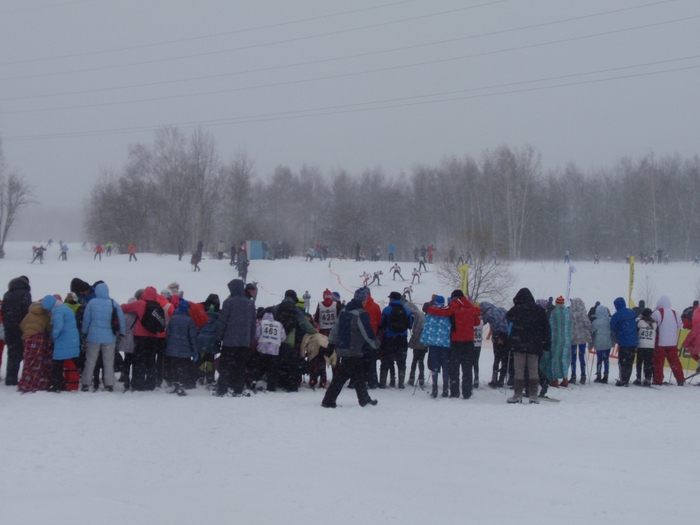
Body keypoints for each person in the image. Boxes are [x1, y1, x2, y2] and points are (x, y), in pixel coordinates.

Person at [321, 288, 379, 408]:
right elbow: (367, 332)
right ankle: (328, 400)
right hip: (354, 348)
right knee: (342, 375)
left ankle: (364, 399)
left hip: (343, 346)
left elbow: (335, 328)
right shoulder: (361, 313)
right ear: (363, 300)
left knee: (358, 374)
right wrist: (377, 346)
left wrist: (331, 344)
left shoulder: (344, 311)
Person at [426, 290, 480, 399]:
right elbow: (477, 322)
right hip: (469, 342)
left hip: (456, 341)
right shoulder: (471, 308)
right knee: (467, 368)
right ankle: (467, 392)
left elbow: (441, 312)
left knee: (454, 367)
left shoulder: (453, 306)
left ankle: (455, 392)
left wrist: (428, 308)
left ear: (454, 297)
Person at [505, 288, 551, 403]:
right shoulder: (539, 310)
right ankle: (533, 395)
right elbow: (546, 328)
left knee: (519, 370)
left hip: (519, 345)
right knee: (533, 370)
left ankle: (517, 394)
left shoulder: (516, 310)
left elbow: (508, 317)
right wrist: (546, 342)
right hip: (535, 345)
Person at [215, 279, 257, 396]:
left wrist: (219, 338)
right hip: (244, 342)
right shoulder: (250, 303)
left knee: (225, 366)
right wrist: (249, 340)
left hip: (229, 340)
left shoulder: (228, 302)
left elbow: (223, 321)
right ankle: (238, 388)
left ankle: (222, 388)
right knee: (240, 366)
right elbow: (253, 324)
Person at [80, 283, 125, 392]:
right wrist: (122, 333)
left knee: (90, 361)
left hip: (93, 337)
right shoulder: (113, 303)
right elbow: (121, 320)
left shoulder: (91, 303)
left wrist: (84, 332)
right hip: (109, 338)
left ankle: (86, 383)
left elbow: (86, 320)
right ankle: (109, 384)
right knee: (108, 362)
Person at [120, 286, 164, 391]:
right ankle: (150, 383)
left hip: (140, 337)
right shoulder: (158, 306)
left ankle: (138, 383)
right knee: (151, 361)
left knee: (139, 361)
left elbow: (124, 307)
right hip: (153, 337)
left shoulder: (140, 304)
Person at [41, 295, 81, 392]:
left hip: (63, 340)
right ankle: (70, 382)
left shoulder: (58, 311)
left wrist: (53, 335)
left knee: (57, 364)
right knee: (71, 362)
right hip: (72, 339)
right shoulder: (65, 308)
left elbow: (59, 326)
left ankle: (57, 385)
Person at [378, 291, 414, 389]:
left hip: (389, 338)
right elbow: (410, 324)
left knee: (386, 360)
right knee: (401, 361)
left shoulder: (386, 310)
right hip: (402, 338)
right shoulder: (406, 310)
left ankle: (382, 383)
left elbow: (381, 324)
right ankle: (401, 384)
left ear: (392, 299)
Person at [17, 299, 53, 392]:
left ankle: (25, 383)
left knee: (28, 360)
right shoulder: (45, 315)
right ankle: (35, 383)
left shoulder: (28, 315)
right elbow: (49, 328)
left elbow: (21, 325)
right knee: (37, 361)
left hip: (27, 338)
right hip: (38, 338)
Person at [2, 276, 32, 385]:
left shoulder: (7, 294)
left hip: (8, 327)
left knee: (12, 353)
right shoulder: (25, 294)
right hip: (20, 327)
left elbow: (4, 311)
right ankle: (25, 377)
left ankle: (11, 378)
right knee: (23, 353)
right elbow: (27, 311)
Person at [165, 299, 198, 396]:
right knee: (184, 368)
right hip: (185, 349)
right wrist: (195, 351)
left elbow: (168, 334)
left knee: (174, 367)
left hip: (173, 348)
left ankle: (176, 384)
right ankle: (181, 385)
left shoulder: (173, 318)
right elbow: (192, 337)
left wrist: (169, 345)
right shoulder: (189, 320)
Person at [421, 296, 451, 398]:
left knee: (434, 366)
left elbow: (426, 328)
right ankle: (446, 388)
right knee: (445, 366)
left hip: (433, 344)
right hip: (445, 345)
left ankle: (435, 388)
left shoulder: (430, 314)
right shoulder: (448, 314)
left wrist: (424, 341)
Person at [651, 295, 684, 386]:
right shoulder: (675, 313)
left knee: (658, 362)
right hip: (672, 342)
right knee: (675, 362)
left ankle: (658, 380)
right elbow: (679, 325)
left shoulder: (657, 313)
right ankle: (680, 379)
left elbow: (652, 326)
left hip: (660, 342)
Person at [610, 297, 639, 387]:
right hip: (633, 341)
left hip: (623, 341)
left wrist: (616, 337)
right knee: (630, 361)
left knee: (622, 361)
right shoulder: (632, 312)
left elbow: (612, 328)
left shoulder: (616, 315)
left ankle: (623, 379)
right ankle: (627, 378)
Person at [480, 301, 509, 388]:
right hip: (507, 337)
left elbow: (481, 323)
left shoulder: (488, 314)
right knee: (505, 360)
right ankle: (501, 379)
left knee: (497, 359)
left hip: (497, 336)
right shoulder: (502, 310)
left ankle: (494, 379)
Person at [547, 296, 571, 387]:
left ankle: (555, 379)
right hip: (566, 339)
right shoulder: (567, 312)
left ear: (556, 303)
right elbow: (570, 326)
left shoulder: (554, 312)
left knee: (555, 359)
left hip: (556, 339)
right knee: (565, 359)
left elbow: (551, 325)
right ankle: (565, 379)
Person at [569, 298, 591, 384]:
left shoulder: (570, 314)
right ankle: (583, 375)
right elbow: (588, 325)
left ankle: (573, 375)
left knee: (573, 357)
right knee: (582, 357)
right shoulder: (583, 314)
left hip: (573, 338)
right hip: (582, 339)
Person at [405, 300, 426, 388]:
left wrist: (411, 343)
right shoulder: (421, 314)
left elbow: (416, 331)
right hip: (424, 341)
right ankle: (421, 377)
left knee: (415, 360)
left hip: (418, 342)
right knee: (421, 360)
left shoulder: (417, 315)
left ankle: (412, 377)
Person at [590, 304, 613, 383]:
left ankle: (598, 375)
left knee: (599, 359)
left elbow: (592, 333)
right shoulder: (609, 320)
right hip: (608, 343)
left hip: (598, 343)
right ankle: (606, 376)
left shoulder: (595, 322)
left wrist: (590, 345)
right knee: (606, 359)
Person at [634, 308, 656, 386]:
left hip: (641, 345)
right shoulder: (654, 323)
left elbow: (635, 330)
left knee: (639, 362)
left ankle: (638, 378)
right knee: (648, 363)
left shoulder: (640, 322)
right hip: (650, 346)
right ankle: (648, 378)